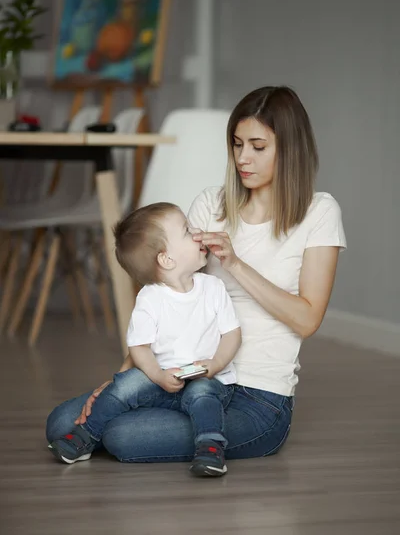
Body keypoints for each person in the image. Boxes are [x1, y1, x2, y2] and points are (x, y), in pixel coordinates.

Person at [46, 85, 346, 464]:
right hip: (187, 377)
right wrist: (120, 380)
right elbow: (167, 299)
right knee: (60, 422)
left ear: (290, 148)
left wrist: (236, 264)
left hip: (258, 399)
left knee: (123, 435)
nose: (243, 158)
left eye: (258, 146)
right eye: (237, 144)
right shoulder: (211, 204)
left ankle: (146, 430)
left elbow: (307, 320)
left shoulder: (319, 212)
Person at [48, 202, 241, 476]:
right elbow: (139, 347)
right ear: (166, 259)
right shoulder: (150, 298)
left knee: (203, 393)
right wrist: (158, 376)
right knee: (126, 384)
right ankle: (84, 436)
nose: (198, 232)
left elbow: (232, 333)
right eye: (187, 230)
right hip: (161, 379)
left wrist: (216, 363)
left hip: (208, 378)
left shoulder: (213, 288)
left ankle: (210, 449)